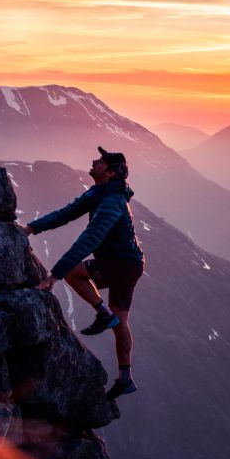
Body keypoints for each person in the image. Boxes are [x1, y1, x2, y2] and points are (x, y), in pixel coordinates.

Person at [23, 147, 145, 400]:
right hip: (130, 264)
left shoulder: (111, 202)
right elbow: (65, 214)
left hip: (121, 264)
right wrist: (32, 228)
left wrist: (55, 275)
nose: (93, 161)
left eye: (100, 161)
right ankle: (126, 378)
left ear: (110, 172)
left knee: (73, 274)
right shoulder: (99, 194)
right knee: (121, 324)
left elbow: (90, 239)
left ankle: (103, 312)